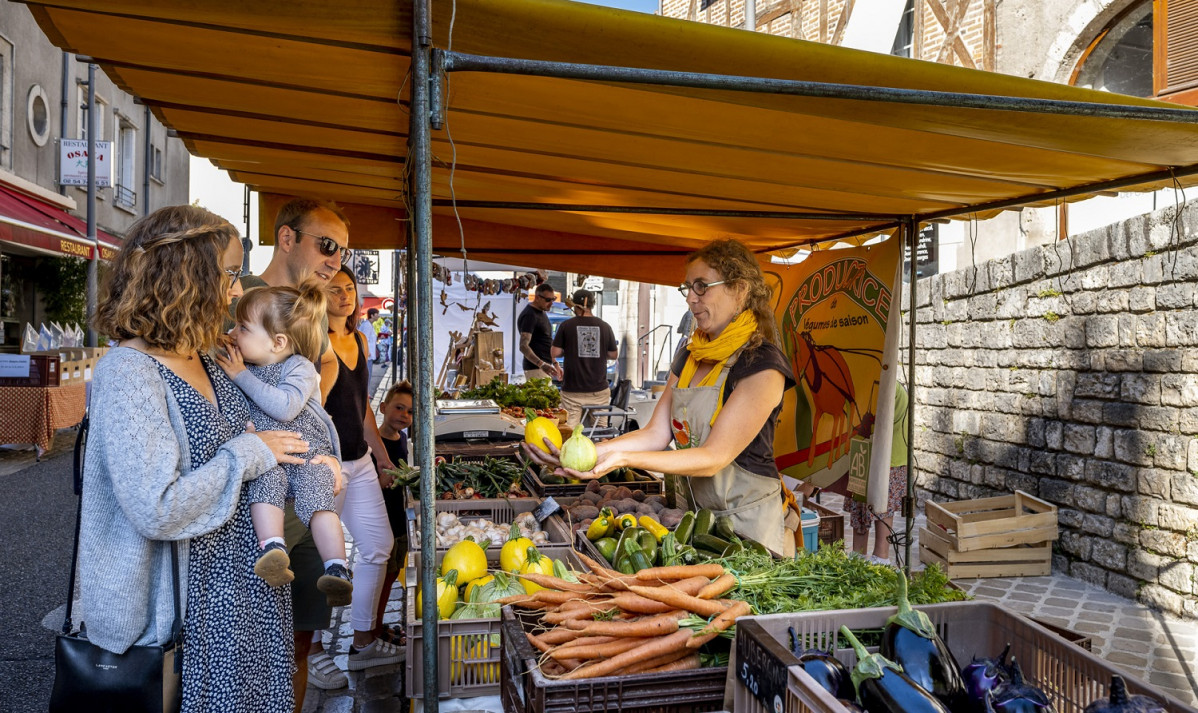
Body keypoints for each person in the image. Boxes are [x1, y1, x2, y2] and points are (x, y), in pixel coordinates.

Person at [85, 205, 310, 712]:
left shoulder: (210, 354)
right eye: (230, 273)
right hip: (190, 620)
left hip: (245, 600)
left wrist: (314, 461)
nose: (237, 290)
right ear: (187, 274)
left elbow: (271, 435)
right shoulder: (129, 373)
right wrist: (252, 452)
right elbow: (156, 507)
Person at [526, 239, 800, 556]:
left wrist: (623, 459)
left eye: (702, 287)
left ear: (739, 290)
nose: (691, 300)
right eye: (687, 289)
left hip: (749, 530)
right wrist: (584, 453)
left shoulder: (761, 364)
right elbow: (656, 434)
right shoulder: (691, 354)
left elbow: (713, 458)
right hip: (696, 525)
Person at [216, 283, 352, 604]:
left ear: (278, 342)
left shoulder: (299, 366)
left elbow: (286, 407)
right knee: (266, 487)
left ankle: (336, 566)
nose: (233, 332)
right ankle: (273, 549)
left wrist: (240, 376)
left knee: (318, 500)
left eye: (243, 327)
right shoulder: (242, 363)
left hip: (307, 456)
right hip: (269, 460)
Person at [323, 266, 403, 670]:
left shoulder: (358, 339)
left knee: (377, 547)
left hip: (360, 460)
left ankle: (362, 640)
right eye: (334, 289)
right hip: (326, 465)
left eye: (349, 288)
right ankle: (316, 650)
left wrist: (383, 457)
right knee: (323, 559)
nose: (344, 295)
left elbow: (363, 407)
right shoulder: (313, 341)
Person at [846, 382, 909, 563]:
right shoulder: (871, 383)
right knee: (859, 503)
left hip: (889, 458)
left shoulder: (888, 386)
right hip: (865, 453)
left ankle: (881, 557)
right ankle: (857, 556)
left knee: (883, 507)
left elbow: (877, 422)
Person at [374, 381, 414, 646]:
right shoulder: (374, 445)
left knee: (390, 577)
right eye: (399, 408)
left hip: (399, 522)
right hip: (381, 523)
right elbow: (370, 486)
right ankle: (374, 629)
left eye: (410, 412)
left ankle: (377, 625)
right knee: (380, 579)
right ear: (382, 407)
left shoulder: (403, 439)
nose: (404, 415)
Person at [552, 289, 618, 428]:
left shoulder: (566, 325)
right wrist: (599, 352)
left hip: (572, 392)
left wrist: (570, 350)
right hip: (598, 391)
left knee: (568, 432)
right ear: (592, 305)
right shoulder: (605, 326)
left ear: (576, 306)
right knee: (601, 432)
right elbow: (613, 354)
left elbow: (555, 352)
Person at [518, 282, 564, 382]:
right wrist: (541, 364)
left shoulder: (541, 312)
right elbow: (523, 346)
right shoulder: (530, 315)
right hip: (535, 368)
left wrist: (555, 364)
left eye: (553, 299)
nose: (551, 303)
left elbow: (546, 341)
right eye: (548, 300)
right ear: (537, 298)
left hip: (542, 367)